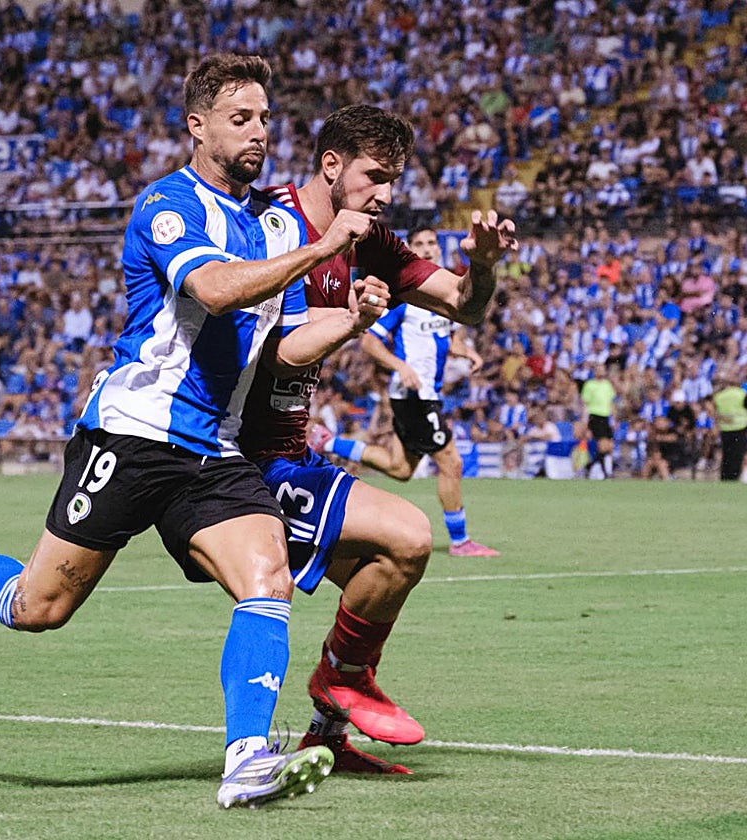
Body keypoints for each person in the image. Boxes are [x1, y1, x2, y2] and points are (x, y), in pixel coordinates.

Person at [0, 54, 390, 810]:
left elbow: (280, 338)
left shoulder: (267, 224)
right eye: (241, 119)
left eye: (265, 118)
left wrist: (354, 318)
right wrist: (322, 250)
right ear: (197, 127)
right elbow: (213, 289)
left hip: (216, 452)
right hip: (132, 437)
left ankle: (245, 763)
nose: (259, 131)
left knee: (265, 582)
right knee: (38, 606)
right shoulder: (169, 205)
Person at [238, 104, 515, 776]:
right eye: (375, 175)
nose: (387, 193)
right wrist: (355, 321)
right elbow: (276, 355)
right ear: (331, 165)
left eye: (394, 178)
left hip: (289, 449)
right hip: (230, 453)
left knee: (392, 559)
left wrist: (481, 266)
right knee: (48, 601)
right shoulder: (270, 225)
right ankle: (335, 688)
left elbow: (461, 303)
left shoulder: (369, 240)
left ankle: (328, 728)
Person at [310, 227, 500, 557]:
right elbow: (369, 342)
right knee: (451, 463)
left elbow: (444, 338)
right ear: (410, 250)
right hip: (414, 395)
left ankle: (327, 442)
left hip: (423, 395)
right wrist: (401, 367)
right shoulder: (406, 298)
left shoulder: (445, 297)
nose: (426, 249)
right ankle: (460, 541)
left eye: (431, 244)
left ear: (439, 250)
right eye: (419, 245)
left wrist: (465, 351)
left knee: (400, 468)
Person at [713, 369, 747, 481]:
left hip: (725, 429)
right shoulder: (742, 394)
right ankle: (734, 478)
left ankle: (725, 477)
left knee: (726, 455)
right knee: (737, 456)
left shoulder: (719, 396)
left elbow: (715, 413)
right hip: (740, 428)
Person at [579, 364, 616, 478]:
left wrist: (614, 419)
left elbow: (611, 403)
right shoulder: (589, 385)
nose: (600, 371)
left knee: (609, 446)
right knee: (602, 445)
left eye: (602, 369)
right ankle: (605, 472)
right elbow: (585, 405)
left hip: (606, 417)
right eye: (598, 369)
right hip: (595, 416)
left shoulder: (607, 385)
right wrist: (585, 422)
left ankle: (590, 466)